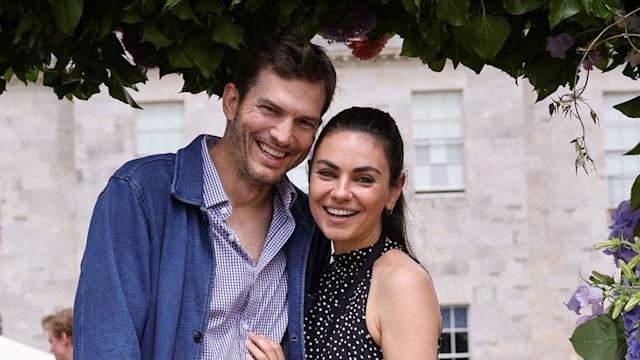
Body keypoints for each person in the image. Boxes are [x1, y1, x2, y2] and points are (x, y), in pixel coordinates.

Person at [73, 32, 336, 359]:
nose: (283, 135)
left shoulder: (310, 225)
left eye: (304, 122)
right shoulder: (139, 194)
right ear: (231, 102)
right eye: (269, 109)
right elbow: (106, 346)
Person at [246, 107, 441, 359]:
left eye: (364, 179)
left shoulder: (403, 283)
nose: (340, 192)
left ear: (394, 191)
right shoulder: (325, 271)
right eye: (327, 173)